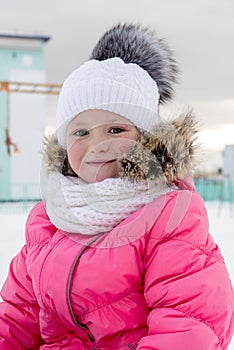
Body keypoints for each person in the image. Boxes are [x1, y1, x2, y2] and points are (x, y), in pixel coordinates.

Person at [0, 23, 233, 350]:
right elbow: (15, 317)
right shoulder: (49, 223)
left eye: (114, 129)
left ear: (145, 138)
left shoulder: (168, 216)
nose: (98, 144)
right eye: (81, 132)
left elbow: (188, 324)